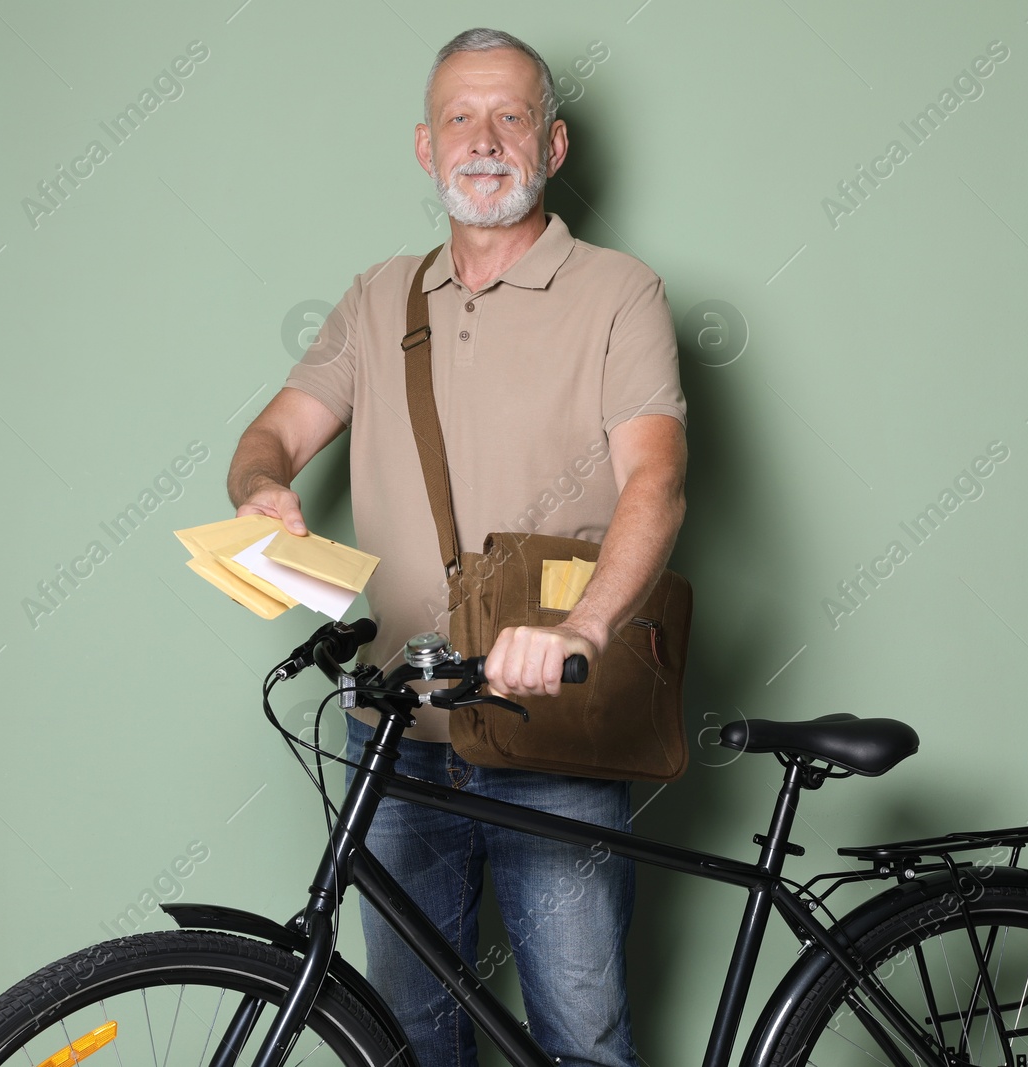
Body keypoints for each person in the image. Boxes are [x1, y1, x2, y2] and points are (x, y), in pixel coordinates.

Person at [225, 27, 687, 1067]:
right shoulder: (378, 296)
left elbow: (655, 479)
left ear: (554, 145)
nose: (485, 138)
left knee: (581, 1037)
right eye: (459, 118)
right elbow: (274, 434)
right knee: (409, 1041)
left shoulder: (620, 292)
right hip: (394, 730)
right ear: (426, 149)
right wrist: (262, 487)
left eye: (511, 115)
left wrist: (581, 626)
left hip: (555, 730)